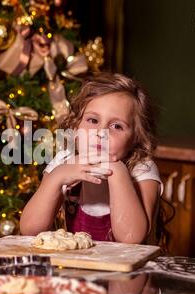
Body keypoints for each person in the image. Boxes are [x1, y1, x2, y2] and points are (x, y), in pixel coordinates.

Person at [20, 72, 165, 244]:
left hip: (130, 270)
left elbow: (132, 239)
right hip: (76, 268)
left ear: (136, 138)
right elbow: (30, 230)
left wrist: (117, 172)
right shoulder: (63, 162)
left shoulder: (142, 170)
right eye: (93, 120)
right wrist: (57, 177)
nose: (101, 132)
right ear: (75, 127)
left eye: (117, 126)